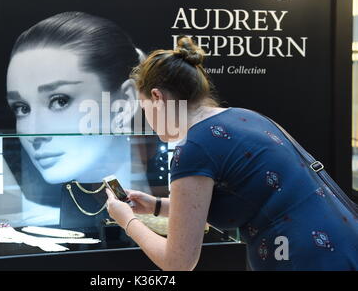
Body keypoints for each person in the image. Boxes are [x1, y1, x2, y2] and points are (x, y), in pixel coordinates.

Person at [105, 36, 358, 271]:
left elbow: (178, 262)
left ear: (157, 97)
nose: (146, 118)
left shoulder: (193, 147)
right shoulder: (245, 116)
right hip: (342, 244)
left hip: (304, 259)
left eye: (144, 107)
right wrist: (156, 206)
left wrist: (127, 220)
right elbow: (244, 198)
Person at [6, 11, 153, 225]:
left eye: (60, 101)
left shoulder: (148, 196)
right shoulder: (41, 212)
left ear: (124, 103)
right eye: (21, 108)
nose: (33, 132)